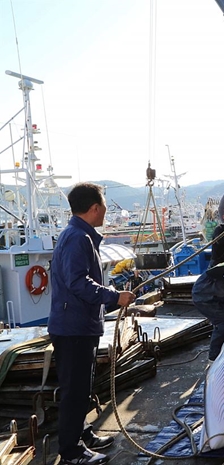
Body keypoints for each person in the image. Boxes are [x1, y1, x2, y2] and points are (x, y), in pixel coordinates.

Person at [48, 183, 136, 465]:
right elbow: (77, 282)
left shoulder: (76, 235)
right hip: (73, 328)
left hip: (77, 325)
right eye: (105, 205)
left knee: (81, 388)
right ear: (95, 208)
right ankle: (72, 453)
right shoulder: (78, 238)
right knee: (75, 391)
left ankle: (81, 434)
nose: (107, 210)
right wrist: (114, 296)